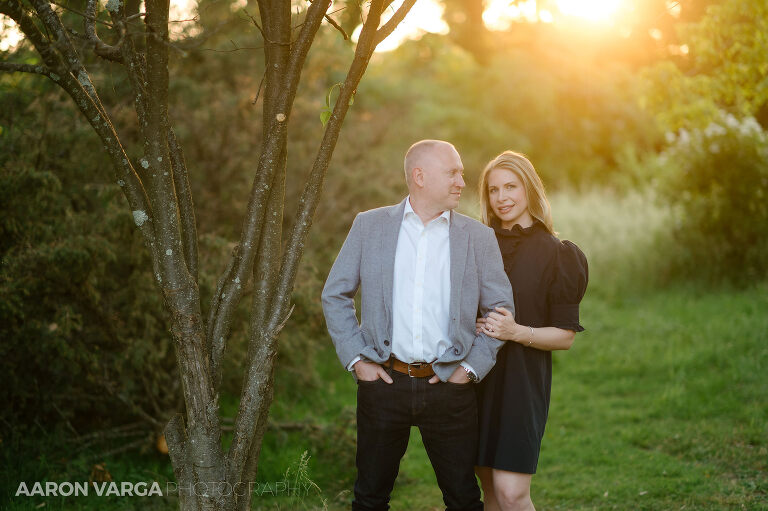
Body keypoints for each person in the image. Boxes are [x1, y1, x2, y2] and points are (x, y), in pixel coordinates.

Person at [321, 140, 515, 511]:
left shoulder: (477, 237)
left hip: (450, 389)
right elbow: (335, 294)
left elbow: (501, 307)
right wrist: (358, 361)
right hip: (384, 383)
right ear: (419, 176)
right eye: (453, 172)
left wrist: (471, 368)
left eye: (461, 172)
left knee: (463, 499)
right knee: (369, 498)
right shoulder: (370, 226)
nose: (462, 180)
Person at [474, 151, 588, 511]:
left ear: (529, 189)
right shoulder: (475, 244)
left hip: (522, 383)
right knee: (489, 490)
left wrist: (515, 331)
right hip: (475, 376)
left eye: (511, 187)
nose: (502, 197)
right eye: (493, 190)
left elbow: (566, 336)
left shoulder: (558, 254)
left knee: (512, 493)